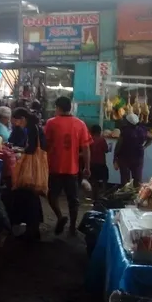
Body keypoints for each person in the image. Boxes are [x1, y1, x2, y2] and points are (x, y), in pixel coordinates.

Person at [44, 96, 91, 235]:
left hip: (54, 167)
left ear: (57, 108)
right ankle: (72, 227)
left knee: (52, 195)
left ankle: (60, 216)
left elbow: (45, 144)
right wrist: (87, 167)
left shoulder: (51, 123)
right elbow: (86, 148)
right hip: (72, 168)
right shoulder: (80, 124)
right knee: (73, 199)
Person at [4, 108, 46, 241]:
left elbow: (32, 149)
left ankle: (32, 231)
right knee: (29, 197)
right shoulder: (30, 127)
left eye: (17, 120)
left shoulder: (32, 128)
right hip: (30, 166)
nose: (16, 124)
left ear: (23, 118)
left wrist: (18, 149)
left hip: (31, 168)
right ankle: (32, 230)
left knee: (30, 197)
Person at [114, 113, 150, 186]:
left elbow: (119, 145)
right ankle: (136, 195)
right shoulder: (142, 130)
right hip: (138, 157)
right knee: (137, 180)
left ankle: (126, 195)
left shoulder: (125, 131)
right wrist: (144, 146)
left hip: (124, 157)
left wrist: (115, 158)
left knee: (125, 180)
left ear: (128, 122)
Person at [90, 124, 109, 198]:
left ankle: (94, 195)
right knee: (104, 179)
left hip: (92, 163)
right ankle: (103, 195)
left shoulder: (89, 139)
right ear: (100, 131)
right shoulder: (102, 139)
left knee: (94, 180)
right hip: (101, 163)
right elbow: (106, 150)